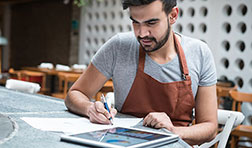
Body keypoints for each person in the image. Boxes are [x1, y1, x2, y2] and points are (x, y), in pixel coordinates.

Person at [65, 0, 217, 145]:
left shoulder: (199, 53)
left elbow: (210, 127)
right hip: (122, 142)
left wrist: (173, 132)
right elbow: (75, 93)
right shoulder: (118, 47)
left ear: (173, 15)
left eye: (151, 23)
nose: (142, 33)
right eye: (135, 22)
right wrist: (90, 109)